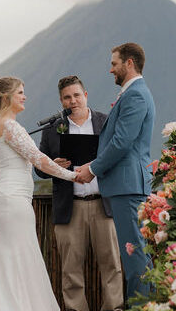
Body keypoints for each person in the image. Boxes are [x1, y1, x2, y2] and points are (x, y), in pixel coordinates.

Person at [0, 73, 77, 311]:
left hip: (10, 198)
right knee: (18, 257)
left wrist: (55, 165)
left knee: (9, 257)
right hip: (12, 201)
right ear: (6, 97)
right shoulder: (10, 126)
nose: (25, 96)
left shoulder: (2, 125)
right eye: (20, 92)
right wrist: (74, 176)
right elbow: (38, 159)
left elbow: (33, 158)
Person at [74, 42, 156, 303]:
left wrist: (93, 168)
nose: (111, 70)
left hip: (128, 186)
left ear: (129, 63)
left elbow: (122, 141)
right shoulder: (132, 93)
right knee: (136, 254)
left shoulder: (136, 95)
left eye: (114, 63)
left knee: (136, 257)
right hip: (126, 186)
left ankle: (143, 307)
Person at [35, 75, 123, 311]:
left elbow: (120, 157)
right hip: (69, 207)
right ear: (61, 101)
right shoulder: (53, 130)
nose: (72, 101)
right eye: (67, 97)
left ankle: (114, 308)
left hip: (103, 205)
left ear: (85, 95)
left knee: (112, 265)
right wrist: (53, 164)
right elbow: (39, 169)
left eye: (76, 95)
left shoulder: (106, 122)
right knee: (70, 269)